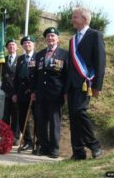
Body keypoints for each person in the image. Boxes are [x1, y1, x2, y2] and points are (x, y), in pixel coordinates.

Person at [67, 7, 106, 160]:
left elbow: (100, 61)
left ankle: (95, 145)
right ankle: (78, 152)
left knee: (79, 112)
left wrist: (97, 86)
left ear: (84, 19)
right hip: (71, 85)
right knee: (73, 118)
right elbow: (70, 65)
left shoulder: (95, 35)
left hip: (86, 83)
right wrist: (65, 89)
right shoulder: (72, 39)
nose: (72, 20)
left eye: (74, 17)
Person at [31, 27, 68, 158]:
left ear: (57, 39)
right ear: (45, 39)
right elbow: (36, 75)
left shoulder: (64, 54)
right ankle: (44, 147)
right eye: (48, 36)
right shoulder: (39, 54)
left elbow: (67, 76)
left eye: (53, 36)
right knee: (40, 122)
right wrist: (34, 90)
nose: (50, 38)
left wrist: (65, 93)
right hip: (40, 94)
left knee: (54, 123)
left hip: (55, 94)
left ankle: (54, 149)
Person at [12, 36, 36, 151]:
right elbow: (16, 77)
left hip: (33, 93)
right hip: (21, 93)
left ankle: (39, 142)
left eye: (29, 43)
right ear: (22, 46)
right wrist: (15, 93)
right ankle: (28, 141)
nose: (27, 45)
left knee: (36, 118)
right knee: (21, 118)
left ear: (33, 44)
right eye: (25, 43)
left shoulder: (38, 57)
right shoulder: (21, 58)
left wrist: (33, 90)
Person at [1, 39, 20, 146]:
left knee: (16, 116)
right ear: (7, 48)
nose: (11, 47)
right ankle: (5, 136)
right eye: (9, 45)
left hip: (15, 92)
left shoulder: (20, 59)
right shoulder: (3, 60)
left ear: (17, 47)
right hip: (5, 92)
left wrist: (16, 93)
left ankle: (15, 137)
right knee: (5, 115)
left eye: (13, 45)